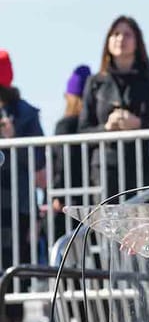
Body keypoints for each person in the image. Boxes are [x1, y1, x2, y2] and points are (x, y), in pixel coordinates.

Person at [78, 16, 149, 201]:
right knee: (108, 225)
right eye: (115, 34)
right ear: (108, 41)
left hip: (144, 165)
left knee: (145, 224)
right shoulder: (95, 83)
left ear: (137, 41)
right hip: (106, 167)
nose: (121, 39)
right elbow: (83, 130)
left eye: (127, 34)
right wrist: (107, 128)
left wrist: (139, 124)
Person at [0, 49, 46, 322]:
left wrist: (13, 139)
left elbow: (39, 164)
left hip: (17, 205)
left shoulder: (27, 113)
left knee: (16, 266)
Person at [51, 64, 92, 241]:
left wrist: (58, 193)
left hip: (70, 197)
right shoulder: (93, 126)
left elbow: (61, 160)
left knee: (64, 246)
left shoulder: (65, 124)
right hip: (92, 193)